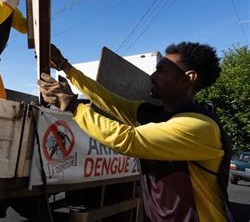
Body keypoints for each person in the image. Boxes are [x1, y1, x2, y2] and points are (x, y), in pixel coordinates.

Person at [38, 42, 234, 221]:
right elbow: (108, 99)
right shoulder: (155, 113)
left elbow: (128, 139)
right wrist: (66, 67)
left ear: (188, 77)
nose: (153, 76)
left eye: (161, 70)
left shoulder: (199, 125)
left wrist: (71, 105)